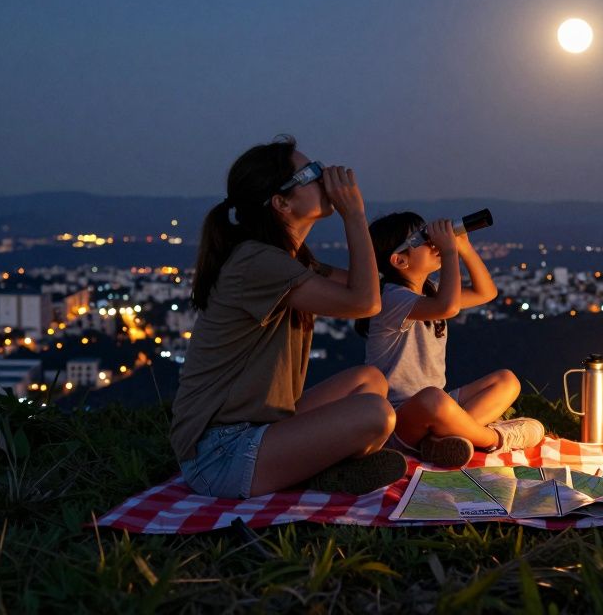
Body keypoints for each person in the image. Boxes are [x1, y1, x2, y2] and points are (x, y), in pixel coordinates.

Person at [170, 136, 406, 499]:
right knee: (376, 414)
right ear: (281, 203)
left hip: (262, 427)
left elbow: (366, 285)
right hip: (220, 454)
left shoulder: (291, 260)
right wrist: (354, 214)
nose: (323, 177)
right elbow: (365, 302)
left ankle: (321, 469)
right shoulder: (258, 261)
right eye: (310, 173)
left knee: (369, 380)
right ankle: (322, 471)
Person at [355, 212, 545, 467]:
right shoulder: (391, 298)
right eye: (423, 239)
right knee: (433, 398)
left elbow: (485, 292)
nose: (432, 243)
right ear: (399, 260)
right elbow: (448, 307)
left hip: (435, 405)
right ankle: (496, 438)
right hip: (396, 417)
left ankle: (441, 440)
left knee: (506, 380)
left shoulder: (429, 293)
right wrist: (448, 251)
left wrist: (463, 247)